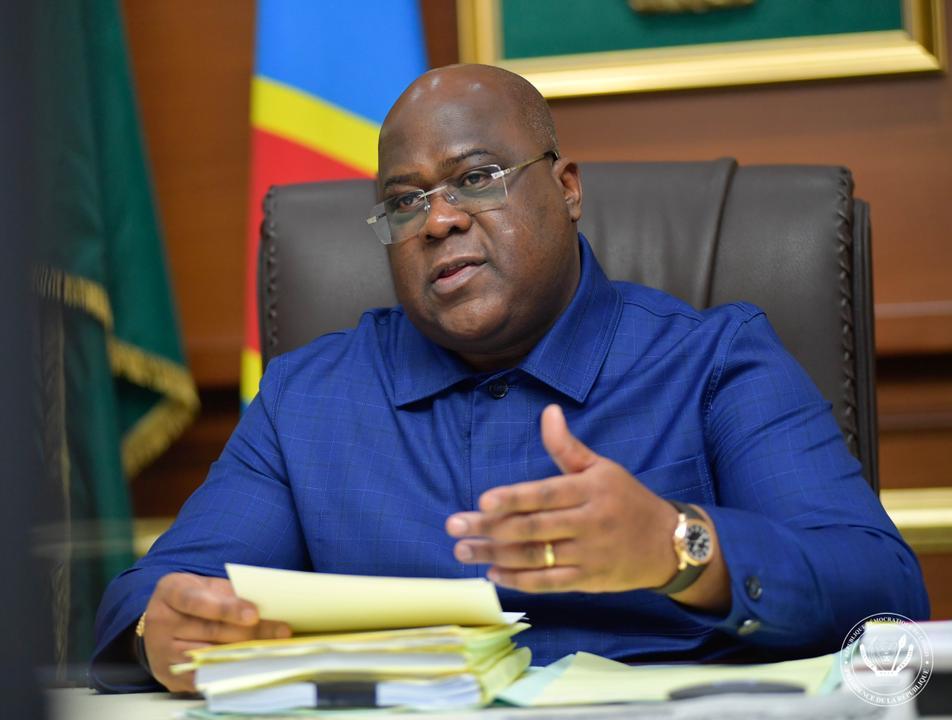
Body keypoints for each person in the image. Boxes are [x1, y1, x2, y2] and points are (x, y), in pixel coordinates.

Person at [90, 64, 928, 693]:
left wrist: (678, 547)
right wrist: (164, 628)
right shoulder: (308, 400)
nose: (439, 220)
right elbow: (151, 598)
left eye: (476, 179)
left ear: (566, 189)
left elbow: (885, 595)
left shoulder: (714, 360)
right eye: (405, 202)